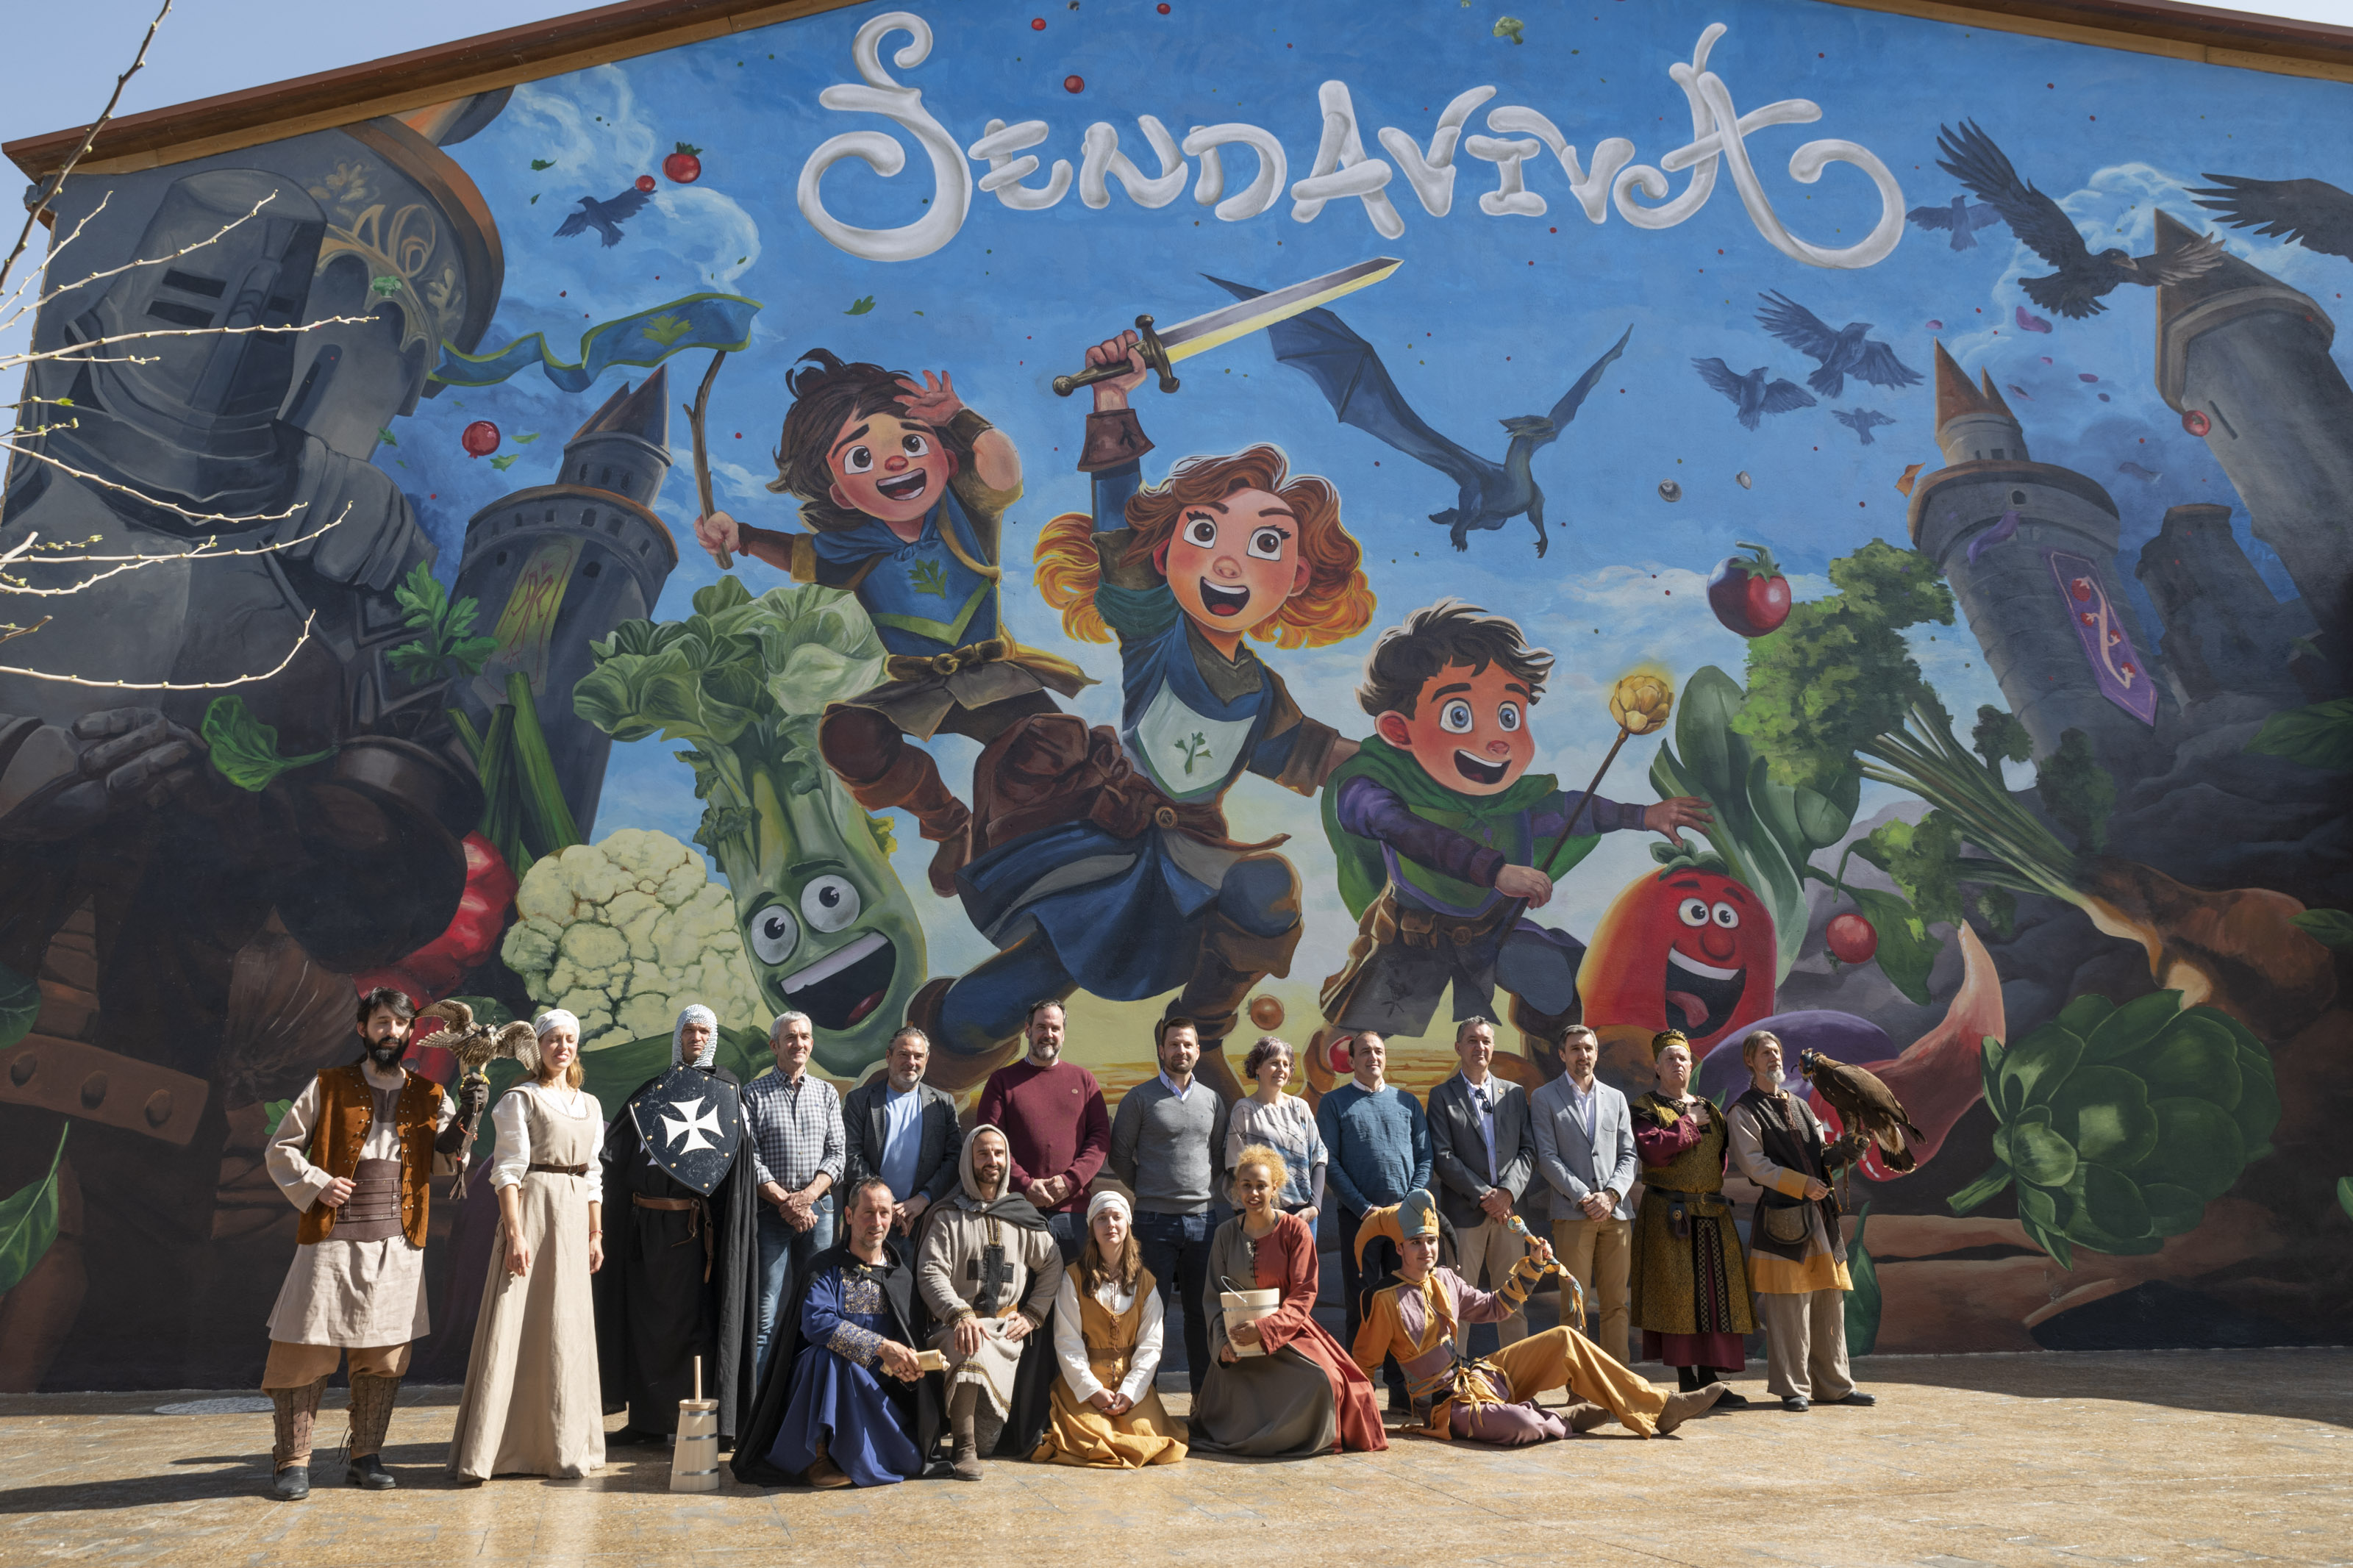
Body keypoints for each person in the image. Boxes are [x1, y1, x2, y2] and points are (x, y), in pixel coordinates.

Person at [912, 328, 1374, 1096]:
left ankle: (1199, 1034)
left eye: (1265, 544)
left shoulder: (1260, 692)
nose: (1229, 559)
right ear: (1165, 557)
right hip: (1105, 839)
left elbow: (1317, 756)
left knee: (1266, 888)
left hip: (1190, 858)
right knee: (1025, 985)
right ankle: (938, 1060)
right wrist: (1109, 401)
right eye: (1206, 533)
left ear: (1295, 577)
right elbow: (1116, 533)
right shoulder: (1155, 629)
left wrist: (1405, 768)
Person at [691, 352, 1088, 898]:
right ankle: (949, 823)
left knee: (1063, 749)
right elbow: (800, 556)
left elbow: (1003, 471)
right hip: (916, 688)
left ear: (944, 456)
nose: (896, 461)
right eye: (862, 456)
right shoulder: (852, 545)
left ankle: (1001, 840)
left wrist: (960, 418)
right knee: (848, 737)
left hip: (992, 677)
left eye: (912, 443)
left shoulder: (964, 509)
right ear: (839, 491)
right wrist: (744, 536)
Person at [1314, 599, 1710, 1077]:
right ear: (1400, 730)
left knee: (1554, 981)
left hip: (1494, 930)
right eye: (1459, 716)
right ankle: (1324, 1063)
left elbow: (1570, 812)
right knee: (1351, 1042)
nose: (1498, 738)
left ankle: (1554, 1072)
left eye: (1508, 715)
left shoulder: (1511, 799)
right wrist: (1495, 870)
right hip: (1414, 936)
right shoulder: (1372, 787)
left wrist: (1644, 815)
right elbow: (1413, 834)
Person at [259, 987, 481, 1499]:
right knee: (303, 1347)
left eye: (400, 1024)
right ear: (363, 1029)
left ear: (410, 1033)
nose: (391, 1032)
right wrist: (317, 1182)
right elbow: (281, 1148)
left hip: (398, 1241)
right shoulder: (328, 1085)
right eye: (381, 1022)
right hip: (331, 1237)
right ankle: (292, 1462)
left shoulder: (432, 1094)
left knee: (385, 1354)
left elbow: (446, 1160)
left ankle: (366, 1456)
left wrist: (466, 1121)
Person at [1349, 1190, 1724, 1442]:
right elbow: (1363, 1368)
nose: (1426, 1250)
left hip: (1481, 1376)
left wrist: (1533, 1266)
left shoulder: (1446, 1278)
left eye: (1431, 1240)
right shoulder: (1382, 1300)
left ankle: (1661, 1406)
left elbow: (1494, 1307)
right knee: (1522, 1425)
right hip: (1447, 1408)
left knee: (1565, 1338)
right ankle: (1563, 1419)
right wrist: (1356, 1426)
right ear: (1400, 1248)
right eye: (1416, 1242)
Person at [446, 1010, 607, 1481]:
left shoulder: (590, 1104)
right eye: (554, 1039)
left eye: (570, 1039)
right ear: (537, 1046)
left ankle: (566, 1444)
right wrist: (515, 1233)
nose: (563, 1047)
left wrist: (596, 1233)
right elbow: (508, 1171)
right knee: (520, 1323)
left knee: (566, 1329)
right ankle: (504, 1448)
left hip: (574, 1221)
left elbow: (594, 1175)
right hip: (534, 1215)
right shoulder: (520, 1099)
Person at [596, 1004, 760, 1447]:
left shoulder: (728, 1091)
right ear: (679, 1036)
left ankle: (704, 1420)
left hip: (696, 1233)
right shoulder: (654, 1090)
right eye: (689, 1030)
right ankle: (649, 1421)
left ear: (714, 1037)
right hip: (647, 1230)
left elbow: (736, 1163)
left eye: (705, 1031)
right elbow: (615, 1151)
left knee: (694, 1325)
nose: (697, 1038)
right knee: (647, 1323)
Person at [732, 1177, 942, 1489]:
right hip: (820, 1386)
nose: (877, 1222)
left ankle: (861, 1454)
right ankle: (817, 1455)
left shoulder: (901, 1276)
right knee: (825, 1354)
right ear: (848, 1215)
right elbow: (816, 1322)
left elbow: (908, 1340)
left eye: (884, 1213)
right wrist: (881, 1346)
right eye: (868, 1213)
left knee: (911, 1461)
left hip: (873, 1392)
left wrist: (908, 1368)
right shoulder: (825, 1268)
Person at [1192, 1145, 1385, 1457]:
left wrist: (1265, 1329)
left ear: (1275, 1187)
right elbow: (1213, 1296)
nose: (1254, 1193)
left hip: (1289, 1335)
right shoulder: (1225, 1235)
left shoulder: (1296, 1230)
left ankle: (1306, 1437)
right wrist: (1222, 1345)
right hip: (1239, 1344)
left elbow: (1304, 1293)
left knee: (1327, 1382)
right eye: (1246, 1185)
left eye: (1261, 1186)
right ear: (1237, 1188)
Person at [1727, 1028, 1876, 1414]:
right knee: (1788, 1309)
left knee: (1829, 1303)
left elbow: (1819, 1154)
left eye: (1777, 1051)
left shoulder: (1801, 1105)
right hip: (1783, 1220)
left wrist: (1844, 1152)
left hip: (1821, 1219)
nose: (1774, 1057)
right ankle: (1792, 1387)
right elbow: (1755, 1165)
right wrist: (1801, 1184)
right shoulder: (1743, 1110)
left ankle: (1836, 1386)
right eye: (1765, 1052)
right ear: (1750, 1061)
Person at [918, 1124, 1065, 1479]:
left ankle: (977, 1443)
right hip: (955, 1330)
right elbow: (931, 1272)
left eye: (998, 1153)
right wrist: (960, 1315)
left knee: (990, 1441)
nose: (992, 1161)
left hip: (1005, 1333)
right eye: (982, 1153)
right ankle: (964, 1449)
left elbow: (1052, 1263)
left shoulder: (1021, 1215)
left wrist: (1033, 1315)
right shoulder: (947, 1216)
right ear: (968, 1160)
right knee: (970, 1343)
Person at [1630, 1029, 1755, 1408]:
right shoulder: (1645, 1106)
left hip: (1712, 1215)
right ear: (1657, 1067)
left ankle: (1711, 1380)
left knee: (1715, 1298)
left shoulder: (1710, 1109)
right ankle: (1687, 1381)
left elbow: (1721, 1158)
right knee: (1679, 1297)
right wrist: (1687, 1123)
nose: (1677, 1064)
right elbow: (1652, 1150)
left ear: (1691, 1064)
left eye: (1682, 1058)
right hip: (1671, 1215)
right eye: (1669, 1058)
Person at [1106, 1015, 1228, 1400]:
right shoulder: (1139, 1098)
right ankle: (1146, 1403)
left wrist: (1196, 1191)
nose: (1181, 1051)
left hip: (1203, 1222)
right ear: (1162, 1050)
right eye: (1174, 1044)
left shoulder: (1212, 1100)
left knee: (1201, 1315)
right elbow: (1120, 1156)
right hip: (1153, 1222)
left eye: (1188, 1044)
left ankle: (1203, 1403)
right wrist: (1151, 1188)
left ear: (1198, 1051)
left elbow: (1218, 1156)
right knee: (1148, 1315)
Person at [1313, 1030, 1430, 1409]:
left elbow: (1425, 1158)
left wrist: (1408, 1206)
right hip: (1359, 1220)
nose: (1373, 1057)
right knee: (1362, 1303)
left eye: (1378, 1051)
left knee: (1404, 1304)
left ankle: (1402, 1389)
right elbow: (1329, 1162)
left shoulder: (1407, 1103)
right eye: (1365, 1052)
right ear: (1351, 1061)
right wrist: (1364, 1208)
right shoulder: (1334, 1103)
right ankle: (1359, 1392)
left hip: (1404, 1224)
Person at [1032, 1189, 1187, 1469]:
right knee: (1092, 1436)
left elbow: (1151, 1346)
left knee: (1143, 1434)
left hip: (1130, 1384)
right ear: (1092, 1227)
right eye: (1102, 1218)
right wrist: (1093, 1390)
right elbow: (1067, 1342)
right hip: (1084, 1384)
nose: (1110, 1224)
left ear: (1128, 1225)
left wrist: (1130, 1391)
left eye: (1117, 1217)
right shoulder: (1073, 1278)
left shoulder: (1145, 1283)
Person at [743, 1010, 846, 1380]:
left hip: (819, 1213)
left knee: (817, 1307)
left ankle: (806, 1395)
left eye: (804, 1037)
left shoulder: (827, 1093)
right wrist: (788, 1202)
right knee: (764, 1313)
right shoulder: (752, 1094)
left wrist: (807, 1198)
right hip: (770, 1216)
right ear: (774, 1046)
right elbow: (749, 1159)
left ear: (812, 1044)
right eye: (790, 1037)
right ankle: (758, 1408)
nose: (798, 1043)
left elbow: (837, 1154)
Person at [1424, 1017, 1538, 1350]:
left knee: (1513, 1302)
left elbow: (1528, 1150)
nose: (1480, 1047)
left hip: (1510, 1215)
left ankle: (1516, 1376)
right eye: (1472, 1041)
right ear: (1458, 1047)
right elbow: (1442, 1156)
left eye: (1486, 1041)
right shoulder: (1441, 1095)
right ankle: (1454, 1377)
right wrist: (1486, 1196)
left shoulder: (1513, 1094)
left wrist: (1507, 1193)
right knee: (1456, 1303)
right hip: (1464, 1215)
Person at [1532, 1023, 1638, 1363]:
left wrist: (1611, 1195)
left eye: (1588, 1048)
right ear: (1562, 1054)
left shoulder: (1616, 1098)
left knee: (1616, 1304)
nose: (1583, 1055)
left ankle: (1618, 1381)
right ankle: (1579, 1381)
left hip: (1616, 1214)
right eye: (1575, 1049)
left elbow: (1629, 1155)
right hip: (1572, 1214)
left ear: (1596, 1053)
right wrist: (1584, 1196)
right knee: (1573, 1303)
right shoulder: (1544, 1097)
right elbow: (1546, 1157)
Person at [974, 1000, 1110, 1260]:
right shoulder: (1002, 1081)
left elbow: (1100, 1140)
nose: (1048, 1034)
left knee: (1071, 1286)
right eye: (1041, 1027)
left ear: (1063, 1034)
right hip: (1016, 1211)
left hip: (1073, 1215)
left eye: (1055, 1028)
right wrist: (1025, 1186)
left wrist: (1069, 1182)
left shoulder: (1084, 1081)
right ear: (1028, 1030)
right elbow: (989, 1142)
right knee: (1018, 1286)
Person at [840, 1025, 963, 1240]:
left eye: (918, 1056)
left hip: (923, 1219)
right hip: (871, 1217)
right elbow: (851, 1158)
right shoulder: (860, 1101)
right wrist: (886, 1204)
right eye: (903, 1054)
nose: (911, 1062)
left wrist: (923, 1199)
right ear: (888, 1056)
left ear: (927, 1059)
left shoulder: (943, 1104)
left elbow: (954, 1159)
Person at [1223, 1035, 1327, 1221]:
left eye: (1286, 1065)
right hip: (1259, 1214)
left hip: (1302, 1214)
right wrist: (1265, 1210)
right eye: (1274, 1063)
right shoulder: (1243, 1109)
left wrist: (1314, 1207)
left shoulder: (1300, 1107)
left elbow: (1319, 1157)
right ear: (1257, 1068)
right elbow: (1234, 1165)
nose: (1281, 1069)